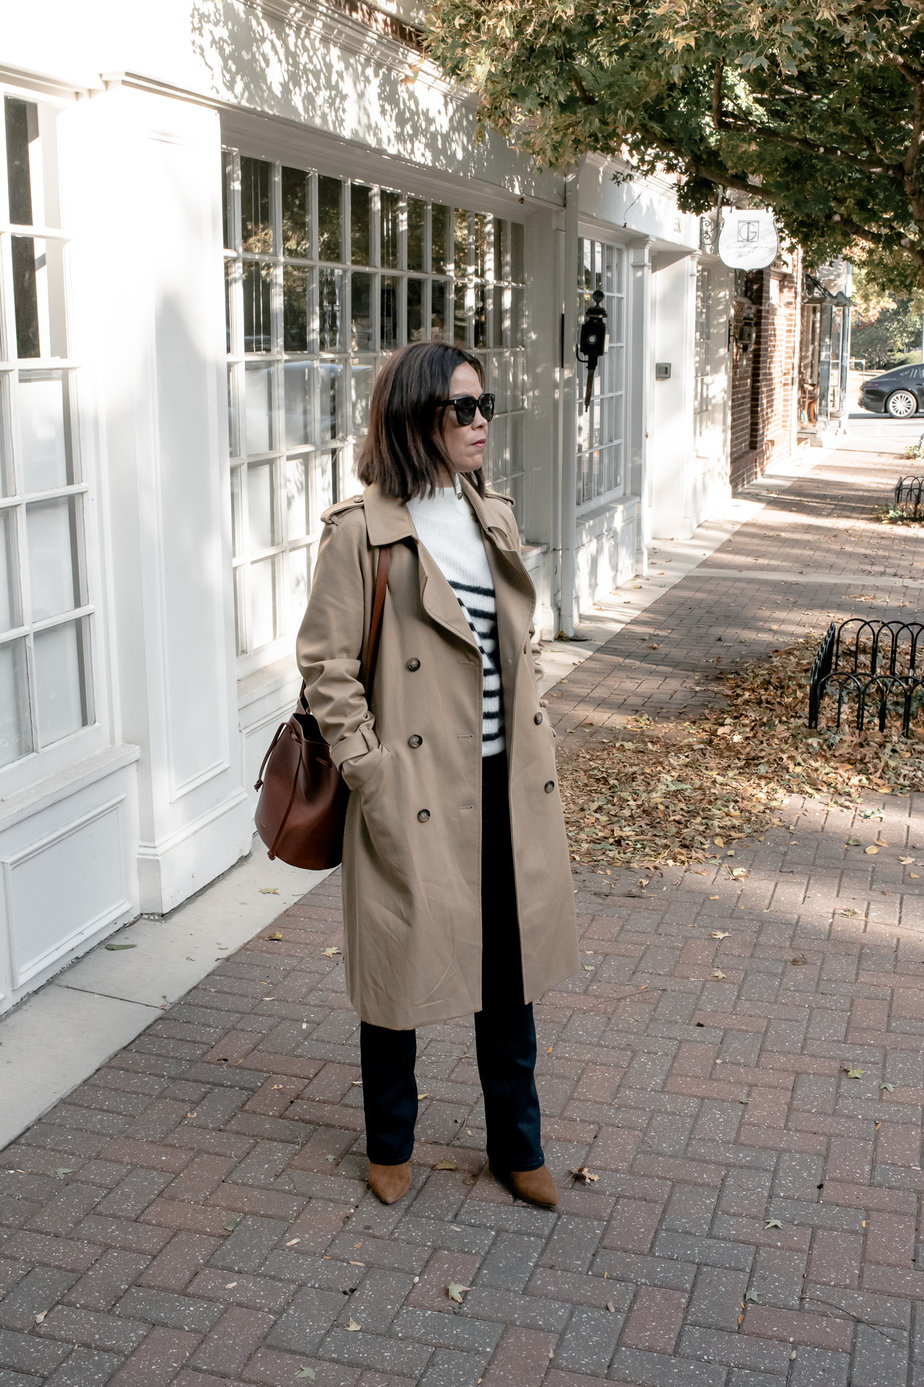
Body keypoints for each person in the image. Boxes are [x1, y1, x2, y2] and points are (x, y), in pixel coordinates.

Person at [296, 339, 578, 1208]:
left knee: (511, 973)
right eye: (463, 407)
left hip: (504, 783)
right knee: (396, 970)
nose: (482, 419)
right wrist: (369, 770)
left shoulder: (489, 512)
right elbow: (326, 666)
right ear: (418, 417)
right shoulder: (362, 533)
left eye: (484, 403)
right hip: (412, 791)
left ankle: (517, 1144)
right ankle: (390, 1142)